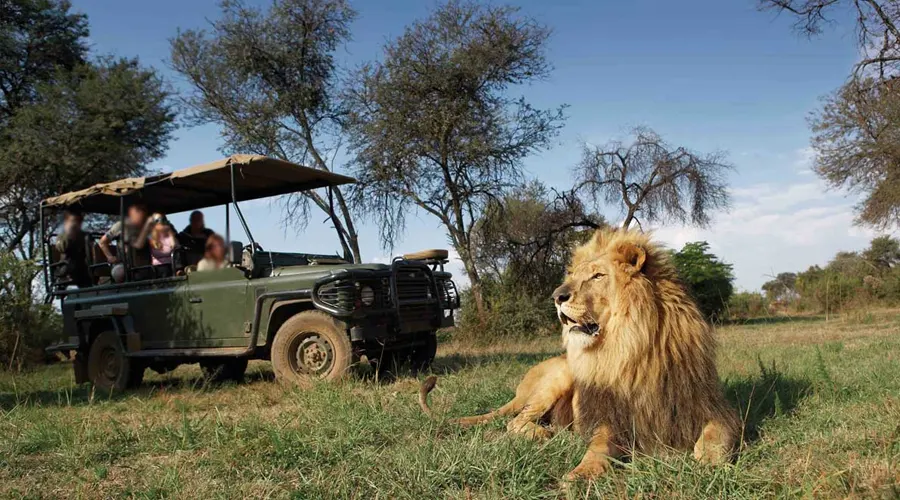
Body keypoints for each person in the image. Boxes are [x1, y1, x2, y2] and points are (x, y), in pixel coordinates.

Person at [98, 202, 160, 282]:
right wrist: (110, 257)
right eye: (139, 210)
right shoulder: (121, 226)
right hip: (126, 263)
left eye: (144, 210)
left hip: (146, 262)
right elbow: (102, 242)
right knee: (120, 272)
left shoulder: (148, 227)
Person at [54, 209, 91, 288]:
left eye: (78, 221)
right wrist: (70, 234)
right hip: (67, 266)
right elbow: (62, 248)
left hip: (83, 266)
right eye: (73, 221)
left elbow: (90, 249)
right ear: (67, 222)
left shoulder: (83, 235)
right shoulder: (62, 236)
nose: (75, 223)